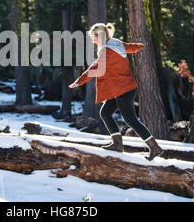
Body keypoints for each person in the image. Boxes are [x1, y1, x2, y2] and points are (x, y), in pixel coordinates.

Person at [69, 22, 163, 161]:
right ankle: (117, 143)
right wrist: (142, 46)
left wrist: (79, 81)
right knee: (105, 112)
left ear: (98, 37)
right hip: (122, 87)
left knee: (131, 120)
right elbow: (131, 47)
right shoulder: (116, 43)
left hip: (122, 89)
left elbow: (94, 69)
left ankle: (154, 148)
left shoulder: (107, 51)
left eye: (93, 37)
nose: (92, 40)